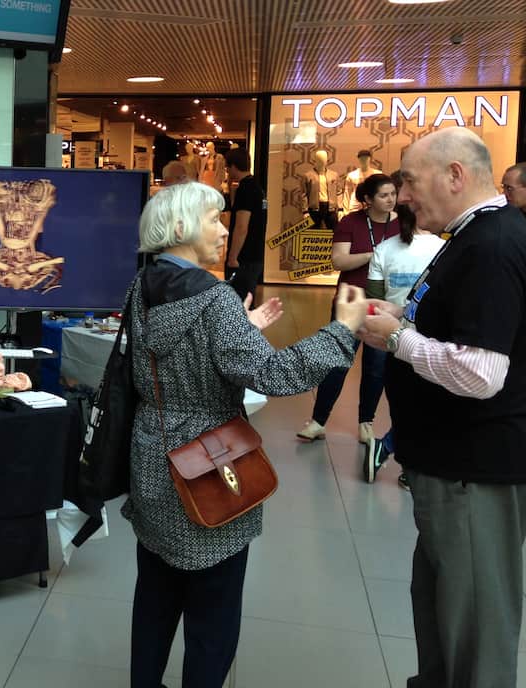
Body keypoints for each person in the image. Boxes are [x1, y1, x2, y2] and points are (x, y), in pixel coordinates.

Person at [125, 182, 367, 687]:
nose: (224, 228)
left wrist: (241, 327)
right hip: (210, 463)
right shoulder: (215, 300)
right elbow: (275, 376)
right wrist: (340, 330)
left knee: (155, 595)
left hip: (152, 451)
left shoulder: (141, 286)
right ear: (178, 229)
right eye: (213, 219)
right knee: (213, 611)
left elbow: (174, 354)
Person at [360, 127, 526, 687]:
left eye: (408, 180)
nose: (401, 195)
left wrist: (396, 340)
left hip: (472, 472)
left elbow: (481, 372)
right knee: (442, 609)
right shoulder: (469, 239)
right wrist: (403, 319)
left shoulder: (492, 246)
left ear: (455, 175)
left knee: (473, 625)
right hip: (450, 471)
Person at [296, 173, 399, 443]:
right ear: (367, 199)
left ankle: (366, 423)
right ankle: (318, 421)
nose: (390, 200)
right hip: (350, 302)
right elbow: (339, 261)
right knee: (338, 360)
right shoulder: (351, 222)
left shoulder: (402, 224)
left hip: (383, 305)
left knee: (376, 367)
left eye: (393, 194)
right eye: (384, 195)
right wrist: (373, 255)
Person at [363, 178, 444, 487]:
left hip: (390, 338)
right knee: (426, 403)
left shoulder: (383, 249)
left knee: (402, 401)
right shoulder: (443, 249)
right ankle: (398, 455)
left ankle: (395, 452)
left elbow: (374, 297)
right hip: (430, 340)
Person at [224, 148, 264, 301]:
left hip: (244, 257)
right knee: (248, 299)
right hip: (255, 254)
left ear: (234, 166)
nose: (227, 171)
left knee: (239, 302)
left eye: (227, 167)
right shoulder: (257, 187)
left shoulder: (245, 189)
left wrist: (233, 257)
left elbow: (241, 226)